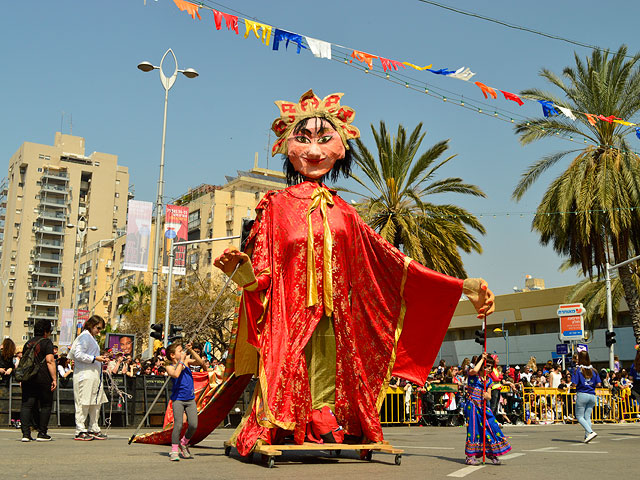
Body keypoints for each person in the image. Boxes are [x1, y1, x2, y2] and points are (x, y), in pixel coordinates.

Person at [213, 89, 495, 456]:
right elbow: (263, 274)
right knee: (285, 364)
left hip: (338, 313)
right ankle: (271, 425)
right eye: (303, 139)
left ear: (341, 148)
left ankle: (323, 418)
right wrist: (245, 275)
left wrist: (460, 285)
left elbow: (392, 261)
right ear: (286, 147)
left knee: (331, 366)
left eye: (324, 139)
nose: (314, 151)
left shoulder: (345, 212)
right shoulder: (276, 206)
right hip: (289, 313)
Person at [464, 353, 511, 465]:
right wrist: (481, 360)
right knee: (474, 430)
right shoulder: (472, 375)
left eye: (490, 366)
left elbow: (489, 395)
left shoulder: (489, 381)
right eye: (486, 366)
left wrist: (487, 396)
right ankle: (470, 456)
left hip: (484, 407)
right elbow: (474, 370)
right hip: (473, 406)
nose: (488, 369)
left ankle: (491, 453)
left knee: (491, 427)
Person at [68, 315, 109, 441]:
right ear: (91, 325)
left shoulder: (92, 338)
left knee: (95, 402)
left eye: (101, 329)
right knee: (83, 402)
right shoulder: (84, 337)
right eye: (98, 328)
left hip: (94, 375)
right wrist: (95, 358)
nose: (99, 331)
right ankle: (80, 429)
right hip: (84, 375)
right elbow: (77, 354)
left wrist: (101, 358)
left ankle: (93, 427)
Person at [165, 341, 205, 461]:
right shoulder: (169, 366)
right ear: (172, 355)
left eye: (182, 350)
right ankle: (174, 450)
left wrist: (191, 350)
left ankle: (184, 442)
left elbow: (200, 362)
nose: (182, 352)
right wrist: (182, 360)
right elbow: (176, 374)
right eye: (179, 351)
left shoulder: (186, 361)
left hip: (190, 398)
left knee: (193, 424)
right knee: (178, 424)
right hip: (178, 399)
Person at [19, 318, 56, 442]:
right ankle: (42, 433)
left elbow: (23, 362)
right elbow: (50, 361)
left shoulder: (27, 343)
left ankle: (25, 434)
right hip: (43, 377)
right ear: (46, 331)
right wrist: (54, 378)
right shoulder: (47, 343)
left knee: (26, 405)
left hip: (28, 377)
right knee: (46, 404)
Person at [571, 351, 601, 443]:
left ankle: (590, 432)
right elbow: (599, 383)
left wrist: (572, 386)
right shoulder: (594, 370)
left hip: (582, 394)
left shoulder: (578, 370)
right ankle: (587, 436)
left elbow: (574, 384)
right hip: (592, 394)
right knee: (587, 416)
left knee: (579, 416)